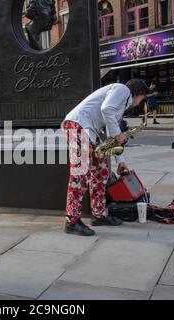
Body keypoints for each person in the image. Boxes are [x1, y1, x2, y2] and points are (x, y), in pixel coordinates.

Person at [62, 79, 149, 236]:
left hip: (88, 130)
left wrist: (120, 161)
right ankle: (72, 221)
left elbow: (111, 129)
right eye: (142, 99)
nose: (140, 103)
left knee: (101, 172)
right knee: (80, 175)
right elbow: (107, 109)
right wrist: (118, 134)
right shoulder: (122, 89)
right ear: (139, 94)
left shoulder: (121, 101)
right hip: (79, 125)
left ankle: (100, 213)